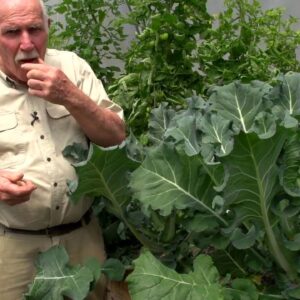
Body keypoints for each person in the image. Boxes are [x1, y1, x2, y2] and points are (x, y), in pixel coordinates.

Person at [0, 0, 126, 299]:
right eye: (12, 32)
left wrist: (70, 95)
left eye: (35, 29)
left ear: (49, 28)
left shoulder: (72, 68)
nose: (27, 43)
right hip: (12, 248)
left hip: (82, 241)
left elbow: (115, 137)